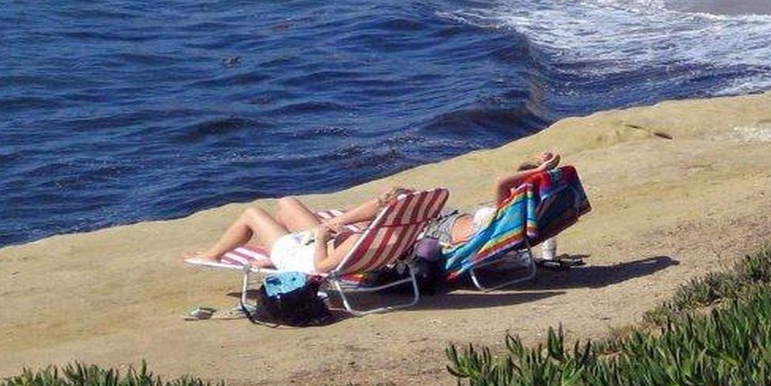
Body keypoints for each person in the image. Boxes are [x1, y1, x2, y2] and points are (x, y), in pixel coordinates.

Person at [187, 186, 414, 275]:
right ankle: (273, 253)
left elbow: (321, 266)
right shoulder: (403, 232)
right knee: (287, 203)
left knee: (252, 214)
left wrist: (322, 240)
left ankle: (214, 254)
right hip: (317, 247)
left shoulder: (358, 239)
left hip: (302, 257)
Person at [423, 152, 564, 248]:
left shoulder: (508, 211)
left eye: (515, 186)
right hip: (452, 218)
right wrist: (544, 170)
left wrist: (539, 170)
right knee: (417, 202)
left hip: (441, 230)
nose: (512, 190)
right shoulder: (534, 212)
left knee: (410, 203)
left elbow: (502, 183)